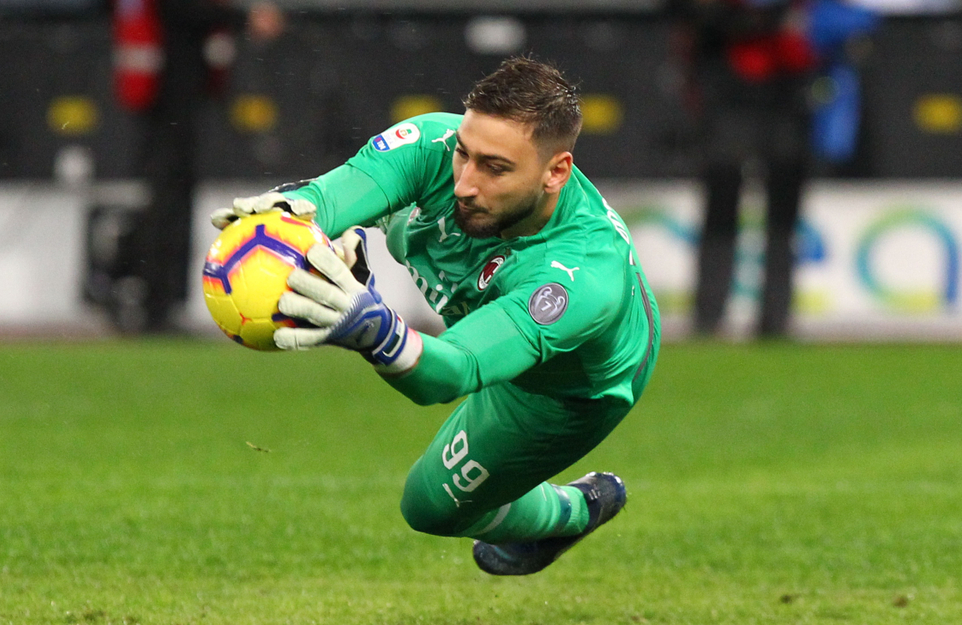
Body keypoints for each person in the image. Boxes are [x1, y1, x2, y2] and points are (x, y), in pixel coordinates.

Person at [211, 58, 660, 576]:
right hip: (493, 325)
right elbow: (328, 199)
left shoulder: (579, 277)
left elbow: (452, 371)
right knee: (425, 509)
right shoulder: (431, 146)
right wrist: (285, 216)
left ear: (556, 171)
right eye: (464, 154)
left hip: (565, 388)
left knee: (428, 507)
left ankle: (578, 509)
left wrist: (371, 328)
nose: (465, 183)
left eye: (495, 168)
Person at [110, 0, 284, 332]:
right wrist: (244, 17)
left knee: (172, 195)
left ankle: (159, 299)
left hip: (177, 92)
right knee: (167, 197)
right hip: (169, 93)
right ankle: (150, 299)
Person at [674, 0, 817, 338]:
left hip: (785, 97)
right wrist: (763, 21)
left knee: (783, 214)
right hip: (727, 96)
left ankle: (776, 319)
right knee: (721, 204)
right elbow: (693, 15)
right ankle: (709, 315)